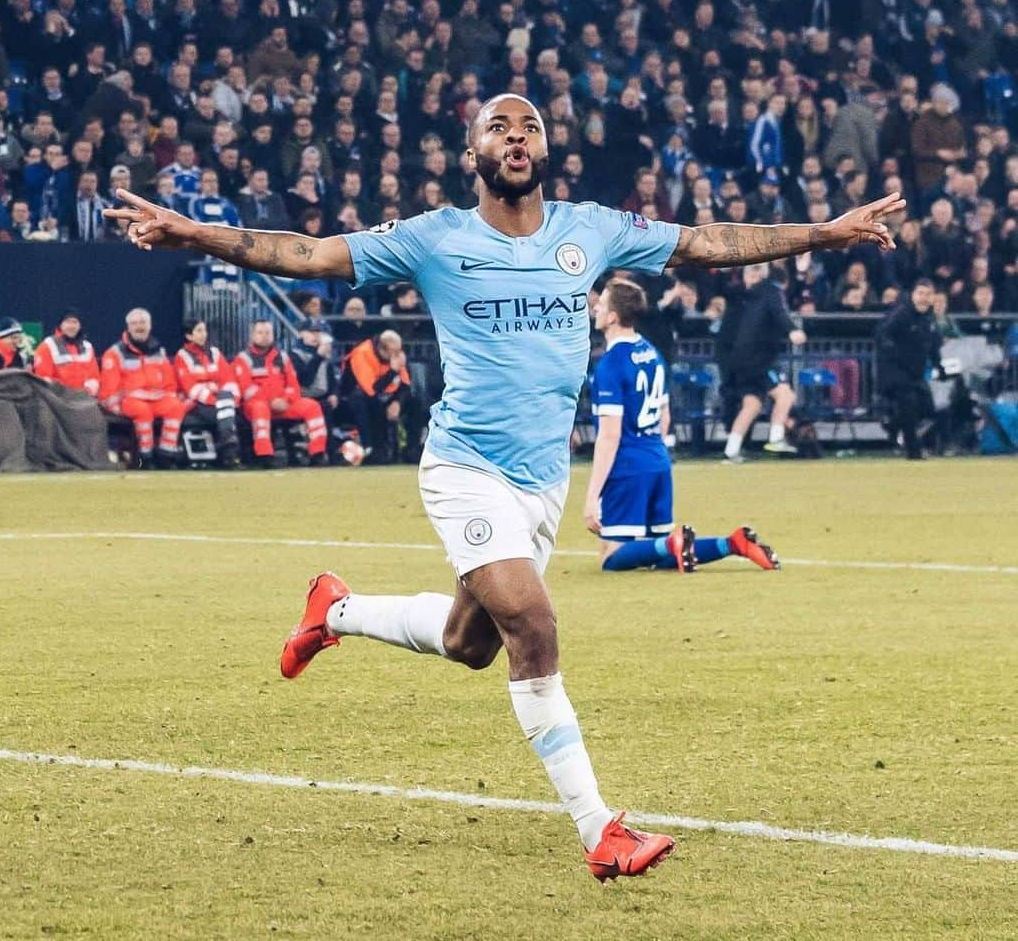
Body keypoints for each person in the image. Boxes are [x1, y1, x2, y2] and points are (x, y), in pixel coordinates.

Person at [106, 93, 900, 882]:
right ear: (472, 152)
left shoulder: (590, 229)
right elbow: (309, 254)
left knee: (471, 643)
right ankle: (602, 831)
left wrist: (824, 233)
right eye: (498, 127)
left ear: (545, 151)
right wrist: (192, 232)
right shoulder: (433, 238)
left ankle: (335, 610)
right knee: (533, 624)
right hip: (465, 467)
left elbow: (707, 243)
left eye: (530, 128)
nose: (516, 137)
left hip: (541, 482)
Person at [584, 278, 780, 573]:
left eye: (603, 302)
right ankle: (733, 544)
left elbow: (609, 436)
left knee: (612, 556)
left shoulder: (611, 364)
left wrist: (591, 497)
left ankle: (673, 543)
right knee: (659, 553)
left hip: (627, 465)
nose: (596, 305)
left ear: (612, 316)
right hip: (657, 460)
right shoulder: (651, 353)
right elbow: (664, 417)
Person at [720, 263, 806, 463]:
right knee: (786, 396)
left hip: (737, 360)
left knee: (752, 405)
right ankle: (776, 438)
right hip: (758, 358)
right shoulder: (772, 290)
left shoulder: (744, 296)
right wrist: (793, 330)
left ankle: (731, 450)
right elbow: (780, 313)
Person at [99, 307, 191, 468]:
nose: (139, 327)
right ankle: (145, 457)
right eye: (135, 323)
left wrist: (171, 395)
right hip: (128, 400)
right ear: (128, 327)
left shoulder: (158, 350)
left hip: (157, 397)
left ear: (150, 326)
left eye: (143, 323)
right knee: (142, 412)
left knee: (176, 407)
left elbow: (169, 380)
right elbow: (109, 387)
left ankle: (166, 454)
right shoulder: (115, 353)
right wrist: (114, 406)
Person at [232, 320, 328, 465]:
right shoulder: (243, 359)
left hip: (283, 404)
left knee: (312, 406)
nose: (264, 336)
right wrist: (272, 401)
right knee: (260, 408)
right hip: (255, 405)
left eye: (268, 332)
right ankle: (264, 455)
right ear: (252, 336)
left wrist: (286, 400)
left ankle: (317, 453)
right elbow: (248, 389)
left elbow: (293, 385)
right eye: (260, 332)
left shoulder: (282, 357)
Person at [876, 278, 941, 461]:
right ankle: (914, 452)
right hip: (895, 371)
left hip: (915, 372)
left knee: (929, 410)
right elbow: (882, 333)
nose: (923, 298)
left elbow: (933, 345)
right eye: (920, 293)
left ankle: (893, 426)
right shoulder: (901, 313)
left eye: (927, 294)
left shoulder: (929, 318)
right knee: (910, 406)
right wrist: (891, 350)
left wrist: (939, 365)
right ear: (912, 295)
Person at [340, 329, 419, 463]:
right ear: (384, 349)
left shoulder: (396, 356)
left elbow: (405, 384)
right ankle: (370, 449)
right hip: (359, 400)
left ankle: (411, 450)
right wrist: (393, 371)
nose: (400, 355)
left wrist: (397, 403)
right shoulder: (362, 353)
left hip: (387, 397)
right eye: (395, 352)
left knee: (416, 403)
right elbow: (371, 390)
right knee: (363, 401)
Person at [173, 319, 240, 467]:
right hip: (197, 404)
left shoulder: (215, 353)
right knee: (227, 413)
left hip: (222, 401)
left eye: (204, 330)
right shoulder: (182, 356)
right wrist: (217, 401)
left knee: (227, 411)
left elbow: (228, 378)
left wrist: (231, 399)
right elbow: (190, 388)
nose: (204, 334)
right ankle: (229, 455)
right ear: (189, 336)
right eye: (199, 331)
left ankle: (228, 451)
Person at [32, 308, 101, 396]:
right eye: (67, 322)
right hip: (57, 401)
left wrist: (86, 393)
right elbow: (43, 379)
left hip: (83, 401)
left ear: (80, 326)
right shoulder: (47, 346)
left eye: (75, 322)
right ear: (60, 325)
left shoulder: (88, 347)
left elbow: (94, 377)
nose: (71, 326)